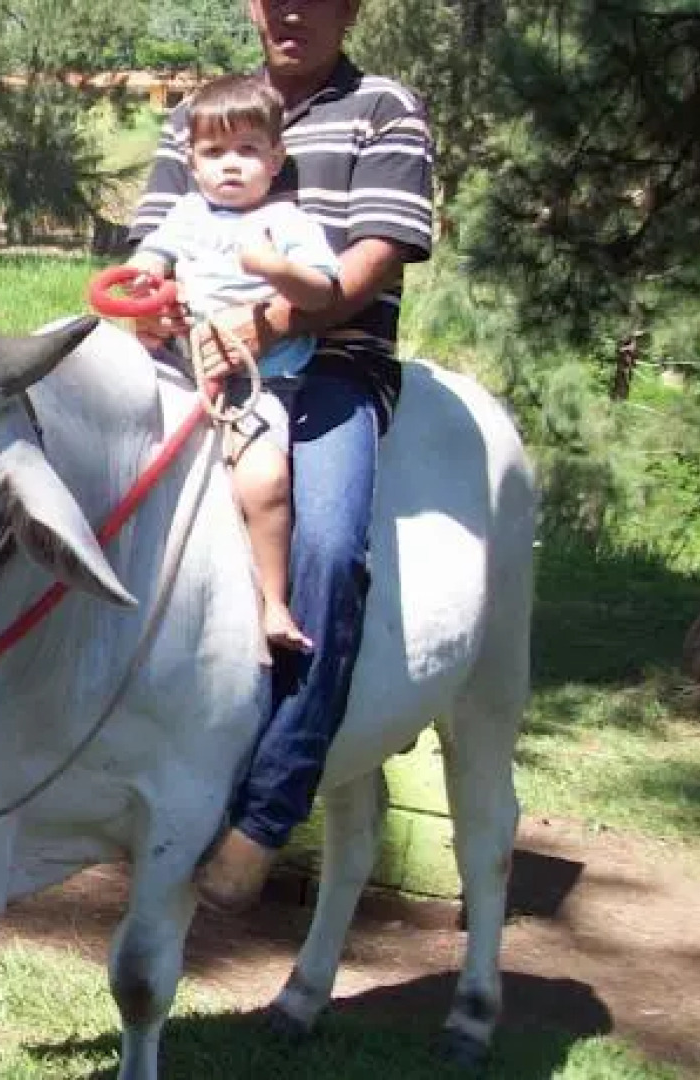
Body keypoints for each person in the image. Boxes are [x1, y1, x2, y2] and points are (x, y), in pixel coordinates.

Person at [126, 0, 436, 915]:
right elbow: (148, 255)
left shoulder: (384, 107)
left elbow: (370, 262)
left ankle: (267, 812)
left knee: (330, 548)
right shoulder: (202, 111)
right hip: (189, 360)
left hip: (330, 366)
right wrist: (155, 311)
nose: (293, 9)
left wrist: (257, 325)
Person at [125, 73, 341, 655]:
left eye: (247, 150)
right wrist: (146, 281)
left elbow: (322, 291)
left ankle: (271, 601)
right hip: (177, 368)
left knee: (264, 480)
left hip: (256, 381)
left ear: (276, 160)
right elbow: (151, 255)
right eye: (214, 152)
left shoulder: (285, 223)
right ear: (192, 163)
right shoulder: (188, 213)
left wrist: (274, 270)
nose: (230, 165)